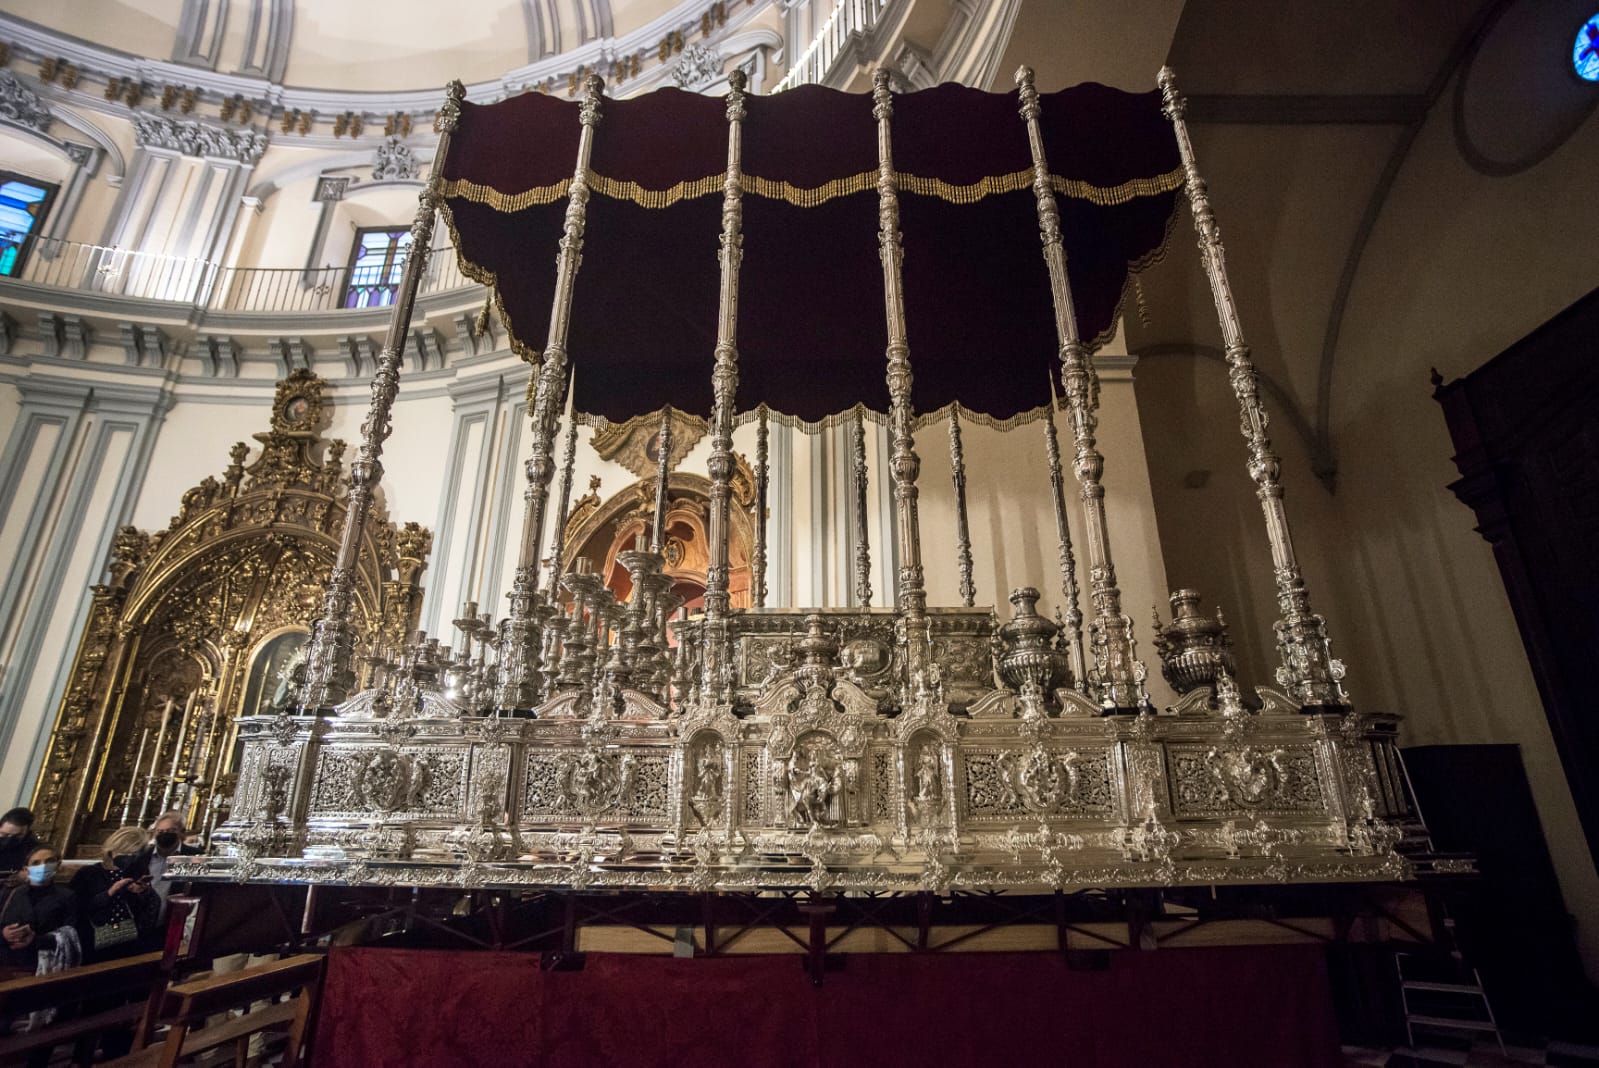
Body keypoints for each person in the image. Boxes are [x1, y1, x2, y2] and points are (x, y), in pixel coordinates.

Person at [69, 827, 159, 962]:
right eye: (125, 853)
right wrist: (109, 893)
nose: (129, 858)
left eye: (135, 854)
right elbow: (76, 907)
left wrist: (144, 893)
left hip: (131, 944)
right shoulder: (89, 873)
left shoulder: (138, 873)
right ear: (112, 851)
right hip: (93, 942)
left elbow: (150, 913)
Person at [0, 846, 78, 975]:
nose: (43, 866)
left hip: (43, 965)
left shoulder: (67, 896)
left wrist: (37, 940)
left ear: (58, 865)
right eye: (36, 863)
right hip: (6, 961)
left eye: (49, 861)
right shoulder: (9, 893)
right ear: (26, 869)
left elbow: (72, 936)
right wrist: (4, 934)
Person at [146, 811, 200, 922]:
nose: (164, 834)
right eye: (160, 831)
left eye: (171, 831)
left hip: (176, 918)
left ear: (182, 832)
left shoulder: (194, 857)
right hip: (144, 919)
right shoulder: (143, 857)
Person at [0, 807, 39, 878]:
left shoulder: (36, 848)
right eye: (5, 834)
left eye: (17, 836)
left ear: (27, 833)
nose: (9, 839)